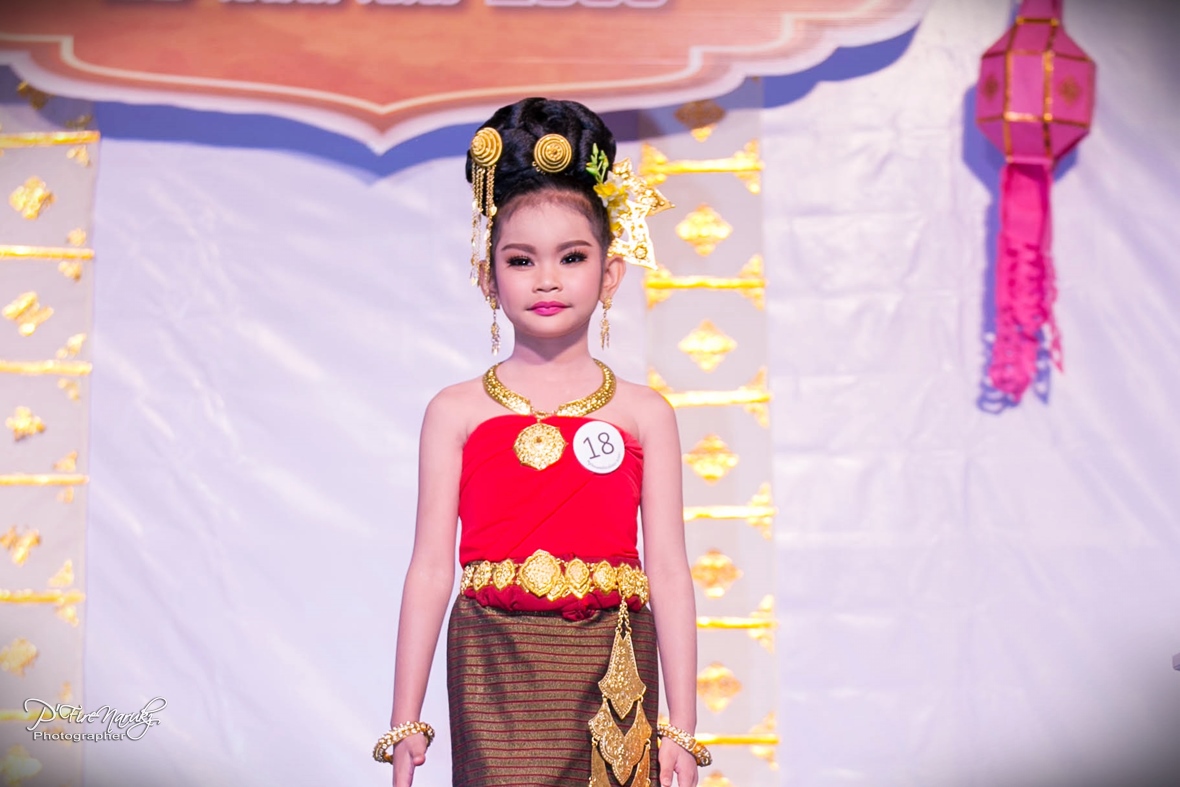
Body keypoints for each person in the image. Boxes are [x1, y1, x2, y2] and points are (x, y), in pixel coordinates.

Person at [373, 97, 709, 787]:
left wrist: (681, 724)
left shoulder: (644, 414)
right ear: (487, 276)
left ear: (610, 273)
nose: (547, 279)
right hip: (493, 664)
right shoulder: (455, 412)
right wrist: (405, 720)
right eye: (522, 259)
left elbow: (670, 571)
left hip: (614, 664)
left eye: (572, 256)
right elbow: (431, 567)